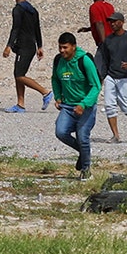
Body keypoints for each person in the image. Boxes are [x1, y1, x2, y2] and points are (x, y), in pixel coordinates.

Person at [51, 32, 101, 180]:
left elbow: (96, 86)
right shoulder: (58, 60)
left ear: (73, 46)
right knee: (60, 132)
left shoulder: (84, 60)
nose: (62, 51)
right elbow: (55, 79)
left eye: (65, 47)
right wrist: (58, 96)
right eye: (60, 47)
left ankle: (86, 171)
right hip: (67, 106)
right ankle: (83, 152)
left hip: (86, 106)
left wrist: (84, 104)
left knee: (82, 135)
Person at [3, 0, 53, 113]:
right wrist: (40, 46)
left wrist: (9, 45)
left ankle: (45, 92)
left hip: (24, 46)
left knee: (19, 75)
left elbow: (15, 28)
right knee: (18, 73)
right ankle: (20, 104)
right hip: (31, 46)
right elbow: (37, 29)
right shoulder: (33, 10)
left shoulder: (18, 10)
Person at [96, 12, 127, 142]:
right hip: (111, 76)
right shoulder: (108, 40)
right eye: (110, 21)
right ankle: (115, 135)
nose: (112, 23)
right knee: (109, 106)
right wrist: (103, 77)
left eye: (114, 21)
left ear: (121, 22)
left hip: (126, 77)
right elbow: (105, 60)